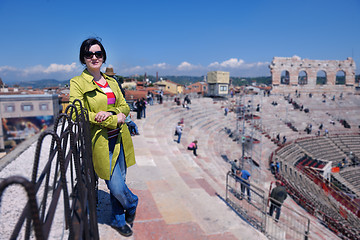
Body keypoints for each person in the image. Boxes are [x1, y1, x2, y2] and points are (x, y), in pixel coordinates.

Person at [69, 38, 138, 237]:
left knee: (120, 182)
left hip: (120, 139)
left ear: (103, 56)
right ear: (83, 58)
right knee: (115, 186)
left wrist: (117, 114)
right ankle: (132, 203)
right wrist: (110, 119)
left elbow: (125, 106)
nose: (94, 57)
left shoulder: (112, 82)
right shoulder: (78, 82)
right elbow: (76, 113)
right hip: (101, 142)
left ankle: (119, 220)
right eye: (89, 54)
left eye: (98, 53)